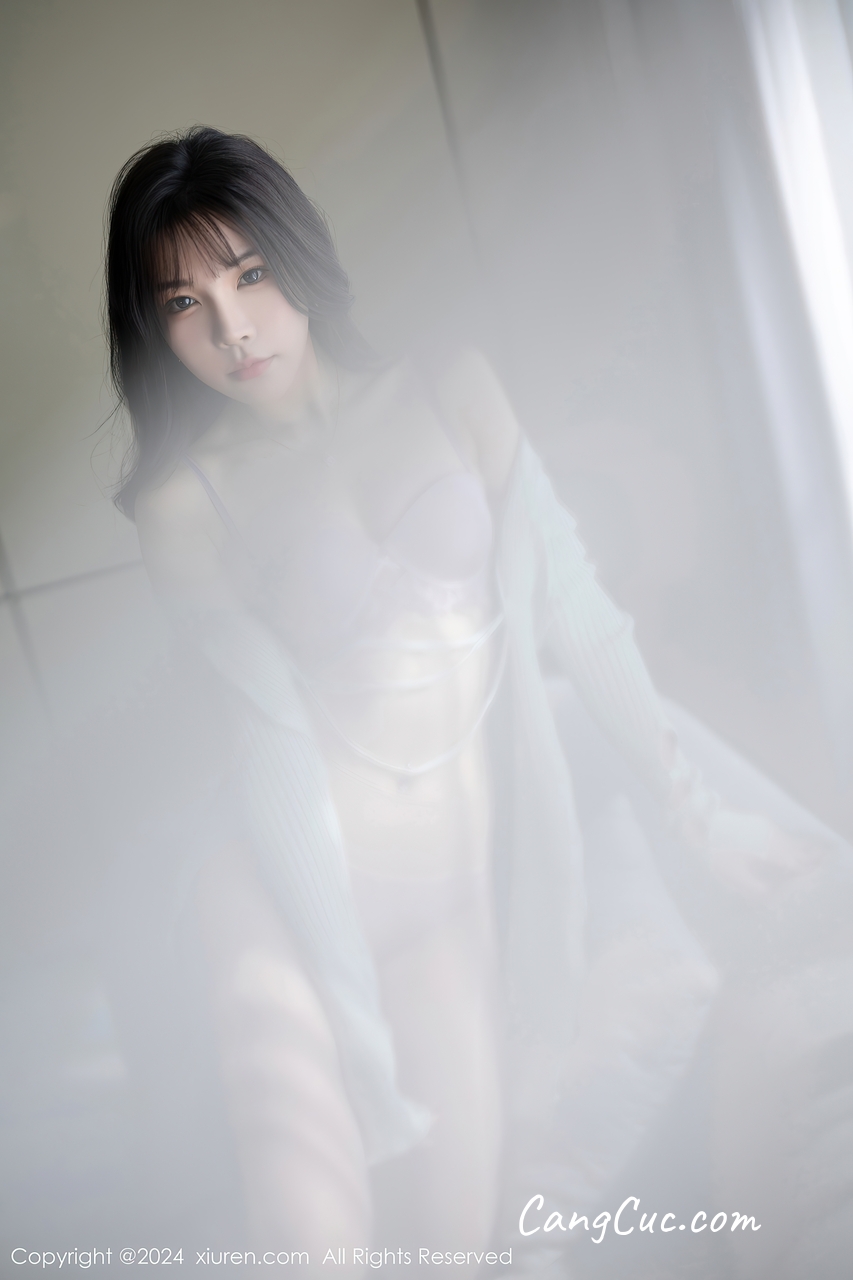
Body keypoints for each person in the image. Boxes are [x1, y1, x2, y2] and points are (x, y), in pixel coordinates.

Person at [104, 126, 818, 1267]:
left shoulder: (448, 385)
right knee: (310, 1234)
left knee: (447, 1246)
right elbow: (273, 750)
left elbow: (577, 611)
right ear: (154, 328)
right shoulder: (187, 504)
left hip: (440, 896)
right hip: (281, 889)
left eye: (250, 274)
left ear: (300, 255)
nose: (232, 328)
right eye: (184, 304)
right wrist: (354, 1022)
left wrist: (697, 814)